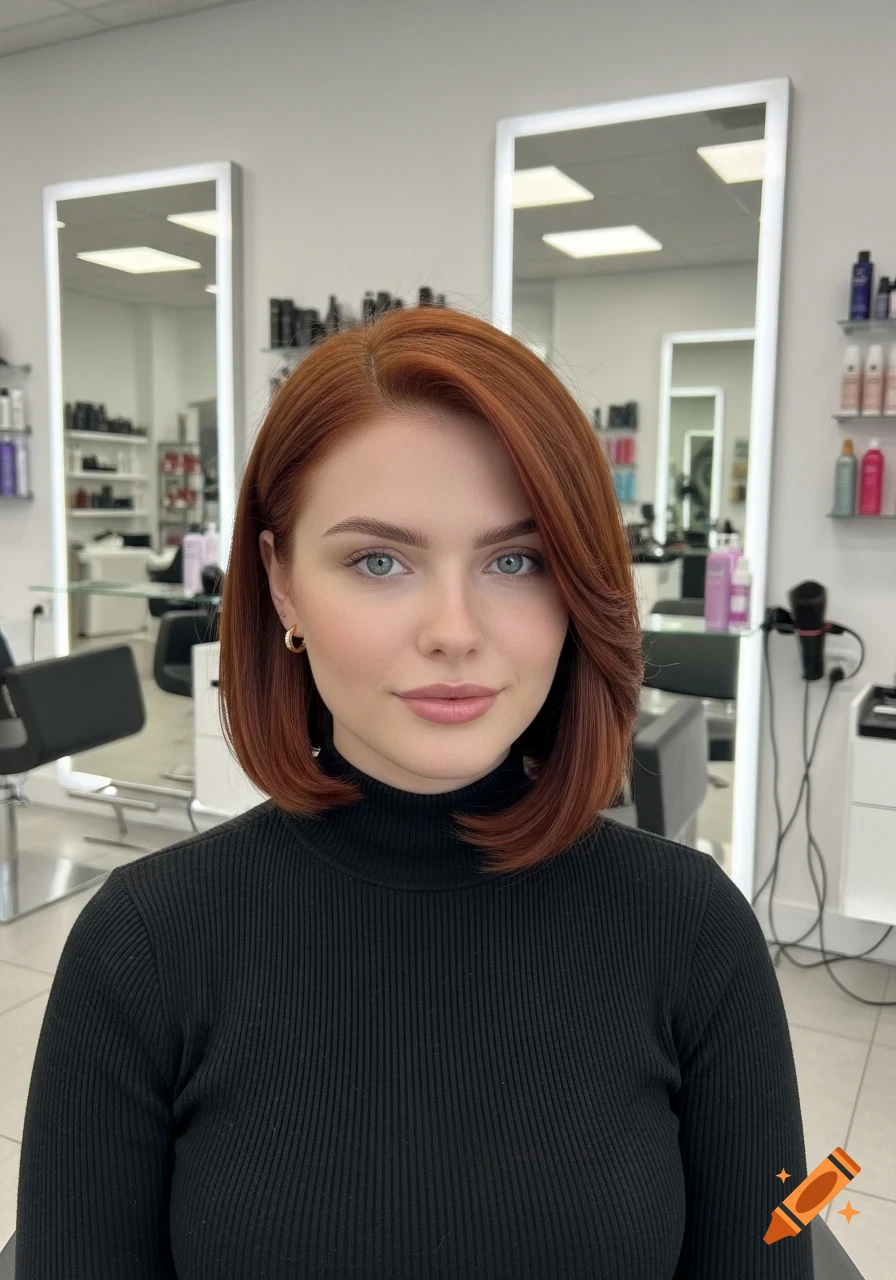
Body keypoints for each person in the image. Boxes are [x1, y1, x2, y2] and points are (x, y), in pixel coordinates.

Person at [15, 306, 813, 1278]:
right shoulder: (145, 947)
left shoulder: (693, 932)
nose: (453, 630)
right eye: (378, 560)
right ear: (281, 584)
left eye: (515, 559)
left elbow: (775, 1244)